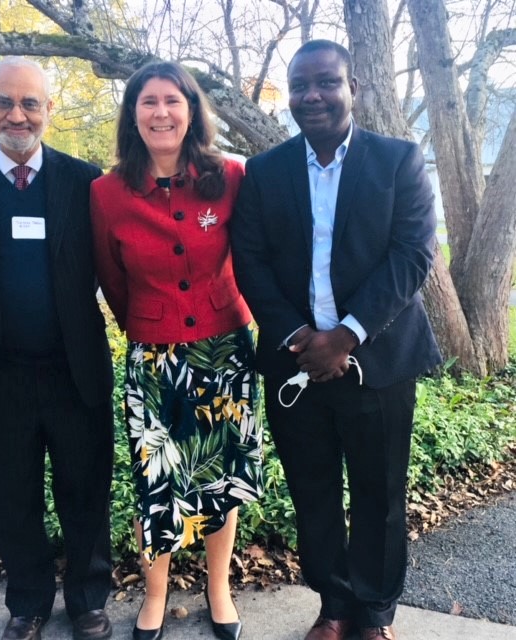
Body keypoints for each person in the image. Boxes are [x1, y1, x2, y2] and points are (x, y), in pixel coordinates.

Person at [231, 40, 442, 640]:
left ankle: (374, 614)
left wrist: (345, 337)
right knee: (313, 491)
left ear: (356, 89)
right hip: (295, 363)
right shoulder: (265, 172)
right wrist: (302, 336)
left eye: (327, 82)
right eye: (300, 85)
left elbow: (412, 256)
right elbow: (250, 261)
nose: (312, 96)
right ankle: (334, 606)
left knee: (379, 494)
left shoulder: (397, 161)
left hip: (377, 361)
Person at [0, 57, 114, 640]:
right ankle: (27, 603)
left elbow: (106, 266)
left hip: (74, 369)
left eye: (30, 103)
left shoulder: (88, 183)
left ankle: (87, 599)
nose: (17, 114)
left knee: (86, 491)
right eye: (5, 101)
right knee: (13, 496)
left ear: (48, 110)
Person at [90, 61, 263, 640]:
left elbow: (256, 257)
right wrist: (150, 324)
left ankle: (219, 589)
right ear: (132, 114)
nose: (160, 112)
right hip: (153, 360)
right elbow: (113, 281)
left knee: (221, 477)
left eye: (172, 100)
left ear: (191, 110)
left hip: (226, 354)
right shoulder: (107, 193)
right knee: (156, 480)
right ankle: (155, 595)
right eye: (147, 102)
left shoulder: (232, 175)